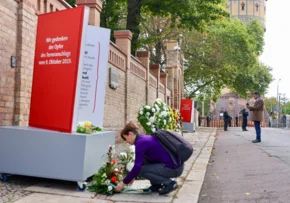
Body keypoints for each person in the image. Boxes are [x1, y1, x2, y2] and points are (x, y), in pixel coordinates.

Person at [115, 122, 184, 195]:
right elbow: (141, 162)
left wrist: (123, 183)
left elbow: (137, 167)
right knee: (144, 163)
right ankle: (156, 185)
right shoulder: (143, 139)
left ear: (130, 134)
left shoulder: (141, 142)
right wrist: (132, 176)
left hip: (174, 168)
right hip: (175, 165)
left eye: (125, 138)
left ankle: (170, 183)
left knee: (141, 170)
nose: (126, 142)